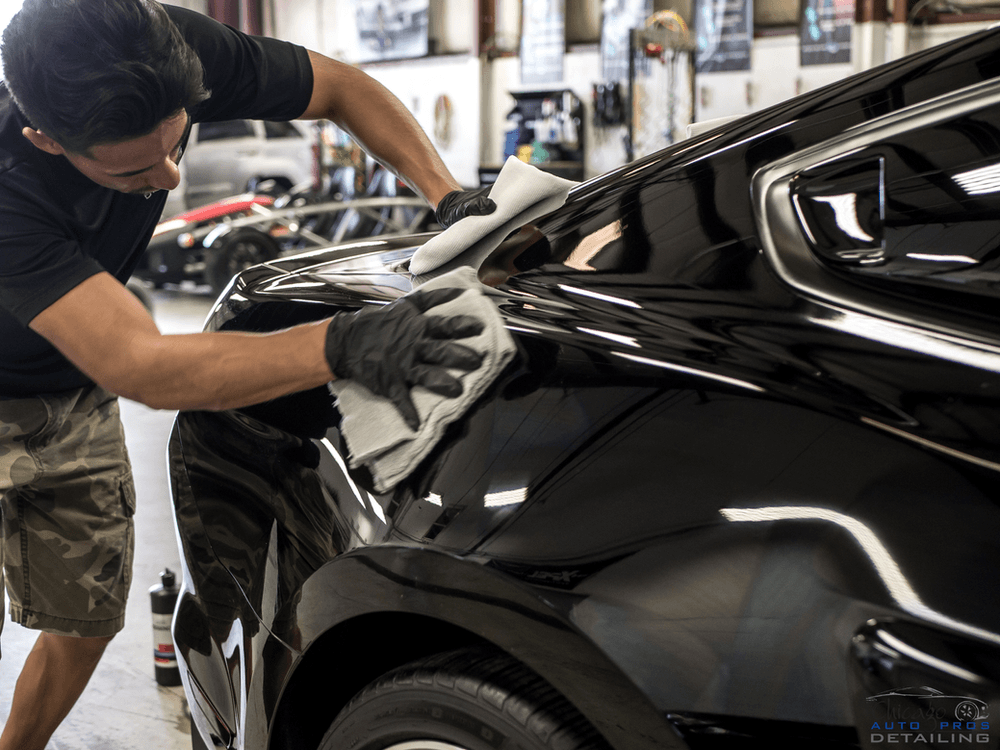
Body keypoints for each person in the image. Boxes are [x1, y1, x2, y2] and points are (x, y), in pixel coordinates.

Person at [0, 1, 495, 747]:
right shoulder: (8, 189)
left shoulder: (170, 55)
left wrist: (448, 196)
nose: (169, 175)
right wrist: (344, 343)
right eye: (135, 167)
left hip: (69, 388)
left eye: (177, 140)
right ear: (45, 138)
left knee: (85, 616)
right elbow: (144, 364)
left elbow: (341, 88)